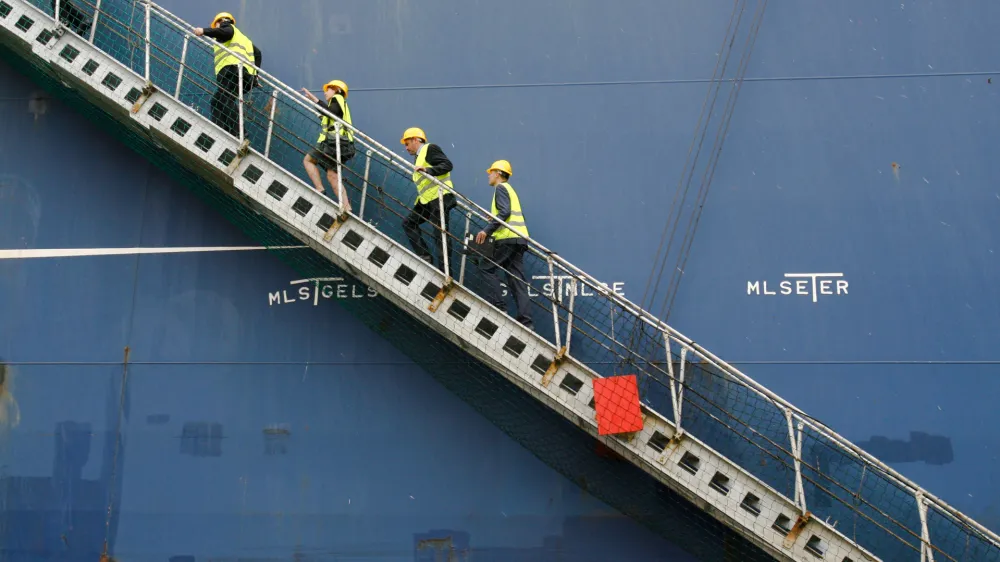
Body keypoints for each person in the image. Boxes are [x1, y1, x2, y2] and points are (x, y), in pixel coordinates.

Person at [475, 160, 533, 329]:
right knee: (517, 282)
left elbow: (505, 212)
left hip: (507, 238)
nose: (489, 174)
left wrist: (487, 230)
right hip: (518, 239)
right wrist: (494, 219)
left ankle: (499, 307)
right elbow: (507, 212)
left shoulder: (500, 188)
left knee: (485, 268)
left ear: (498, 173)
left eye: (491, 172)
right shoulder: (510, 190)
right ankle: (526, 322)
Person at [193, 12, 262, 138]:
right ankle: (225, 131)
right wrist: (255, 75)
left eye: (216, 25)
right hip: (245, 76)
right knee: (219, 100)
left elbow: (226, 33)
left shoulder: (227, 28)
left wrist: (203, 31)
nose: (217, 27)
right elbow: (258, 53)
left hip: (232, 71)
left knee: (224, 99)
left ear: (221, 21)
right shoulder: (243, 38)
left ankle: (238, 132)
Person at [401, 127, 456, 272]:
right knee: (408, 224)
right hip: (427, 201)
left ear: (416, 140)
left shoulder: (429, 149)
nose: (406, 148)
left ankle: (445, 272)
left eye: (407, 144)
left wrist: (429, 171)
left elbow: (447, 165)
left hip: (440, 197)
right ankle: (425, 257)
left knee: (440, 235)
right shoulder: (418, 157)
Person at [300, 80, 355, 213]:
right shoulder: (339, 105)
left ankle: (320, 189)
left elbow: (331, 113)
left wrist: (314, 99)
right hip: (344, 145)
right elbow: (329, 117)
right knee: (332, 175)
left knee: (308, 160)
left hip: (335, 143)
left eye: (328, 89)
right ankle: (346, 207)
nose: (325, 92)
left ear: (336, 89)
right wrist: (314, 102)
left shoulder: (338, 99)